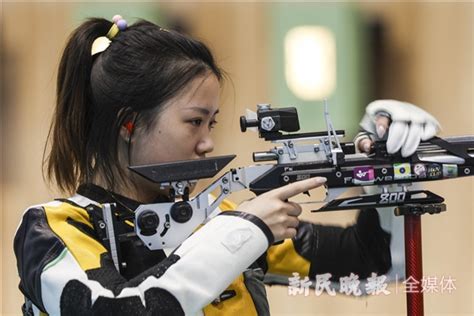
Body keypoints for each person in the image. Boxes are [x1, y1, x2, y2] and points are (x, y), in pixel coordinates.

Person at [13, 16, 439, 316]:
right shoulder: (53, 228)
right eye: (194, 121)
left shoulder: (213, 224)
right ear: (130, 123)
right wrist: (245, 230)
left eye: (211, 122)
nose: (208, 141)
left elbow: (376, 264)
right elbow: (122, 308)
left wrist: (386, 169)